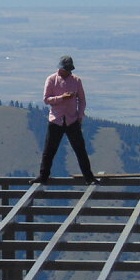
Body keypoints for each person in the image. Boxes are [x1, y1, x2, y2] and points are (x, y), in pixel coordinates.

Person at [35, 55, 96, 185]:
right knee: (49, 151)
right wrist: (61, 98)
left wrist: (80, 116)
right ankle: (43, 176)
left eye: (69, 69)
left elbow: (82, 100)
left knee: (80, 150)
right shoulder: (51, 79)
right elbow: (46, 99)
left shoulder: (76, 81)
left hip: (72, 120)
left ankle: (89, 178)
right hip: (56, 120)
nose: (68, 71)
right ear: (61, 68)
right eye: (66, 69)